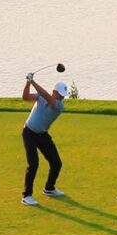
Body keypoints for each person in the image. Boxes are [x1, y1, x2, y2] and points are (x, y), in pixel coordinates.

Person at [18, 71, 77, 206]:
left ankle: (49, 188)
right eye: (60, 95)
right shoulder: (42, 97)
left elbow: (45, 96)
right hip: (29, 132)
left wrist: (33, 81)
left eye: (63, 96)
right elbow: (25, 97)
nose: (62, 98)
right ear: (54, 92)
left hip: (42, 134)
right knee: (33, 164)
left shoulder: (59, 106)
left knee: (56, 163)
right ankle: (26, 196)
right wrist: (28, 82)